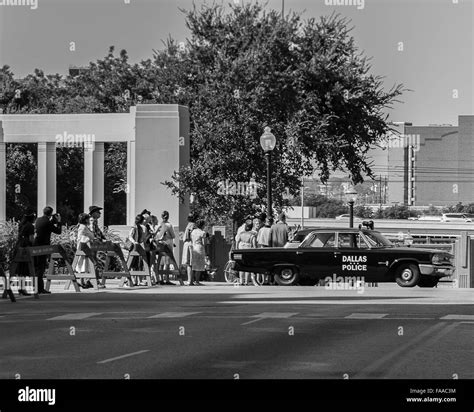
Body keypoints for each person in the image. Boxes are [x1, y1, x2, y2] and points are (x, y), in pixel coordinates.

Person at [33, 206, 62, 294]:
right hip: (43, 246)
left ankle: (36, 287)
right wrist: (59, 221)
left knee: (36, 267)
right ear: (50, 214)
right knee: (41, 267)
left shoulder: (38, 220)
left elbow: (45, 227)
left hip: (35, 245)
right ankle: (40, 288)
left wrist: (52, 221)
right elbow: (58, 231)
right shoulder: (48, 222)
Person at [15, 212, 36, 296]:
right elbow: (31, 239)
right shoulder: (30, 226)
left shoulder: (21, 224)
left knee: (20, 269)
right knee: (25, 268)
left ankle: (21, 288)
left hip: (19, 246)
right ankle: (23, 289)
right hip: (26, 247)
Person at [75, 213, 97, 289]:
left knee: (84, 264)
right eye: (88, 219)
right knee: (82, 264)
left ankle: (83, 281)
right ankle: (81, 281)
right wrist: (88, 239)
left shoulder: (85, 226)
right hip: (83, 247)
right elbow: (80, 237)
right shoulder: (82, 227)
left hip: (85, 247)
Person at [156, 211, 176, 285]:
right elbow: (173, 236)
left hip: (161, 244)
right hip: (168, 243)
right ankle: (167, 279)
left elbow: (157, 236)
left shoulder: (159, 225)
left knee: (160, 262)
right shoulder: (169, 225)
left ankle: (161, 279)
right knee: (167, 262)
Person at [128, 214, 147, 286]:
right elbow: (130, 236)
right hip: (133, 247)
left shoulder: (140, 228)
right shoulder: (134, 227)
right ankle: (131, 280)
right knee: (132, 264)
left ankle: (137, 281)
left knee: (137, 264)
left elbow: (142, 238)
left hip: (138, 246)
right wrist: (134, 242)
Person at [190, 219, 207, 286]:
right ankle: (197, 281)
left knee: (193, 265)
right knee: (199, 266)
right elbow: (204, 243)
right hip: (200, 248)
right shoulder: (202, 232)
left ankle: (191, 280)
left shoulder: (193, 232)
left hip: (193, 248)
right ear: (202, 225)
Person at [181, 213, 196, 285]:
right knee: (190, 263)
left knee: (189, 263)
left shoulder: (190, 225)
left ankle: (190, 280)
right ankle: (191, 280)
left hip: (188, 243)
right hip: (191, 243)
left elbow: (187, 235)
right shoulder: (193, 225)